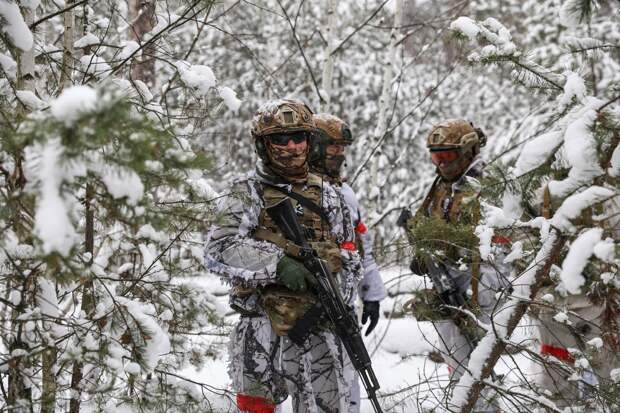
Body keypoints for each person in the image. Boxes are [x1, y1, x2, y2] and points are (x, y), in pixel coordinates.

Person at [204, 99, 362, 413]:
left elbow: (350, 254)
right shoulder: (247, 191)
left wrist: (335, 282)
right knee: (256, 407)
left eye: (298, 138)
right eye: (280, 139)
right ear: (264, 145)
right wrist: (278, 264)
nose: (291, 146)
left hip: (320, 327)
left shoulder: (330, 194)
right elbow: (218, 248)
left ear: (310, 141)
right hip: (261, 325)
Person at [401, 119, 510, 411]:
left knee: (478, 366)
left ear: (468, 151)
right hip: (447, 284)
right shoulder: (443, 186)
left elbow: (500, 248)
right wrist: (424, 256)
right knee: (458, 362)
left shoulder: (485, 185)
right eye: (435, 156)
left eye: (447, 155)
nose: (441, 163)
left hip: (478, 291)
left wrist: (481, 298)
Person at [310, 113, 388, 413]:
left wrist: (371, 295)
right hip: (303, 307)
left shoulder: (346, 193)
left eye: (342, 148)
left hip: (342, 307)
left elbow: (360, 248)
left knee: (346, 385)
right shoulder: (295, 190)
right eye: (332, 147)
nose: (338, 154)